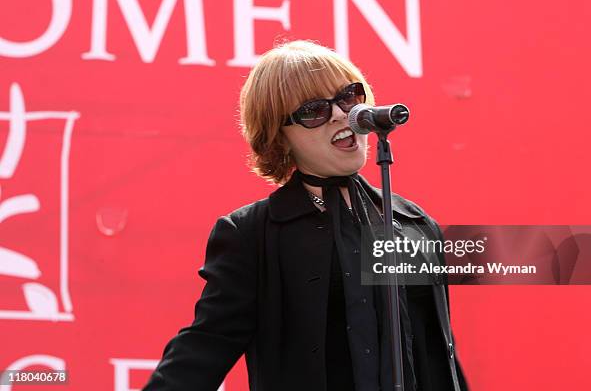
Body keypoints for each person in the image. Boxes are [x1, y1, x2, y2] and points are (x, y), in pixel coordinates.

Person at [143, 40, 468, 391]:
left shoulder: (414, 222)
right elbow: (203, 347)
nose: (342, 114)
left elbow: (441, 354)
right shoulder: (252, 234)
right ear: (279, 138)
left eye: (348, 96)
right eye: (314, 110)